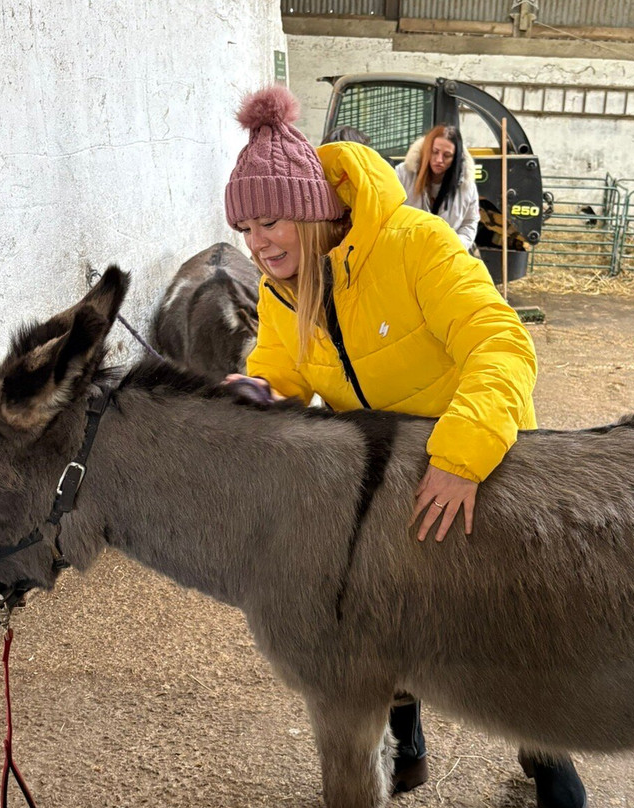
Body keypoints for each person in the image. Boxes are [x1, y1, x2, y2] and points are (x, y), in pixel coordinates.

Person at [223, 85, 586, 808]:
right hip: (388, 470)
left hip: (479, 453)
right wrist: (254, 397)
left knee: (509, 618)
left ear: (312, 208)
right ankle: (408, 749)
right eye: (246, 229)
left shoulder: (417, 244)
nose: (259, 243)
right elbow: (281, 371)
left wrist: (459, 457)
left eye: (271, 221)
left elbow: (501, 343)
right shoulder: (287, 289)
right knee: (378, 607)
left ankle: (548, 755)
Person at [395, 124, 480, 252]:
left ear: (455, 158)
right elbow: (389, 211)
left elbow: (470, 222)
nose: (439, 160)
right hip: (406, 251)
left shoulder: (466, 186)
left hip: (445, 256)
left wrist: (456, 246)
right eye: (435, 152)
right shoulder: (404, 173)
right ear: (427, 149)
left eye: (447, 155)